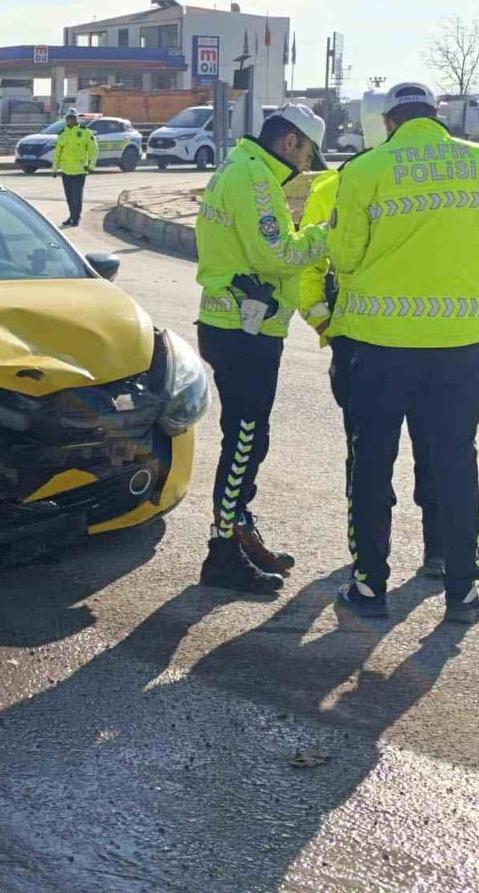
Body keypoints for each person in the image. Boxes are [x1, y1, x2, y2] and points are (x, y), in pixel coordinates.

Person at [329, 81, 479, 624]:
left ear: (389, 122)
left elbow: (344, 255)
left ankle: (370, 587)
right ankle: (461, 590)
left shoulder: (365, 170)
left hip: (378, 351)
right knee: (456, 465)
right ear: (437, 117)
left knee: (371, 466)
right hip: (457, 349)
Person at [194, 104, 330, 593]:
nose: (306, 166)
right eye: (308, 153)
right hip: (244, 331)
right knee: (245, 442)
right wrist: (325, 234)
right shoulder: (255, 178)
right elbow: (277, 253)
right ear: (291, 141)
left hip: (231, 324)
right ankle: (222, 553)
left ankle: (239, 532)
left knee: (249, 438)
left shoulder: (237, 165)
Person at [297, 166, 444, 579]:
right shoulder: (336, 187)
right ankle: (376, 553)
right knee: (382, 457)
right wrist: (325, 324)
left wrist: (326, 323)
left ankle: (414, 555)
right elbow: (310, 264)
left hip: (399, 342)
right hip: (378, 344)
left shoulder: (345, 184)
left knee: (396, 453)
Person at [52, 107, 98, 228]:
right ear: (66, 120)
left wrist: (91, 165)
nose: (70, 120)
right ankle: (72, 216)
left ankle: (76, 218)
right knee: (69, 197)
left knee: (77, 195)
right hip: (66, 170)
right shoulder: (63, 134)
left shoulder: (85, 132)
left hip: (80, 170)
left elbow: (93, 149)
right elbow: (57, 152)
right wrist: (54, 168)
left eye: (72, 118)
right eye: (68, 118)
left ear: (76, 119)